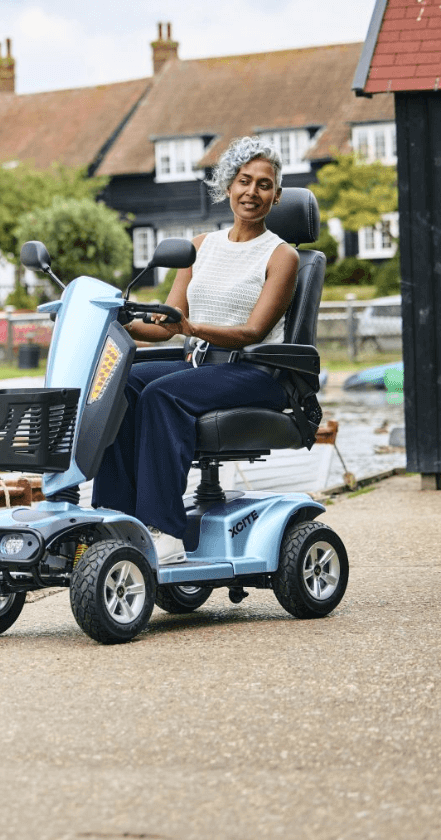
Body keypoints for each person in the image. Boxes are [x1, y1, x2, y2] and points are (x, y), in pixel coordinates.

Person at [92, 136, 299, 564]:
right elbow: (163, 324)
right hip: (201, 365)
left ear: (276, 196)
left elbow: (251, 331)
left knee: (162, 394)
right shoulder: (200, 246)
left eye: (264, 185)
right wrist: (107, 318)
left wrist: (193, 328)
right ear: (228, 186)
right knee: (122, 382)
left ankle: (163, 529)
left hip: (257, 372)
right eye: (244, 181)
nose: (252, 192)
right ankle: (115, 515)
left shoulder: (283, 256)